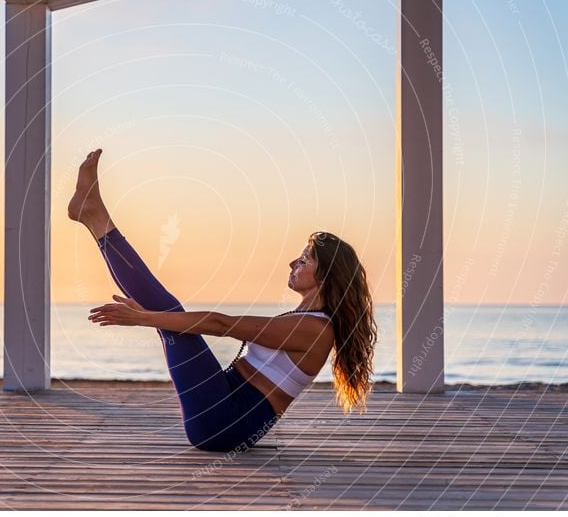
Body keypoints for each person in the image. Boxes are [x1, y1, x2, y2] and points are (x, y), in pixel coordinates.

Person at [69, 148, 377, 452]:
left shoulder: (315, 331)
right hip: (224, 410)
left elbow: (222, 324)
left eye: (305, 259)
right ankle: (95, 218)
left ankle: (96, 219)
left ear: (326, 274)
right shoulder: (307, 321)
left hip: (222, 423)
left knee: (170, 315)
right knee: (170, 317)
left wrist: (145, 319)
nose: (292, 263)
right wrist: (151, 318)